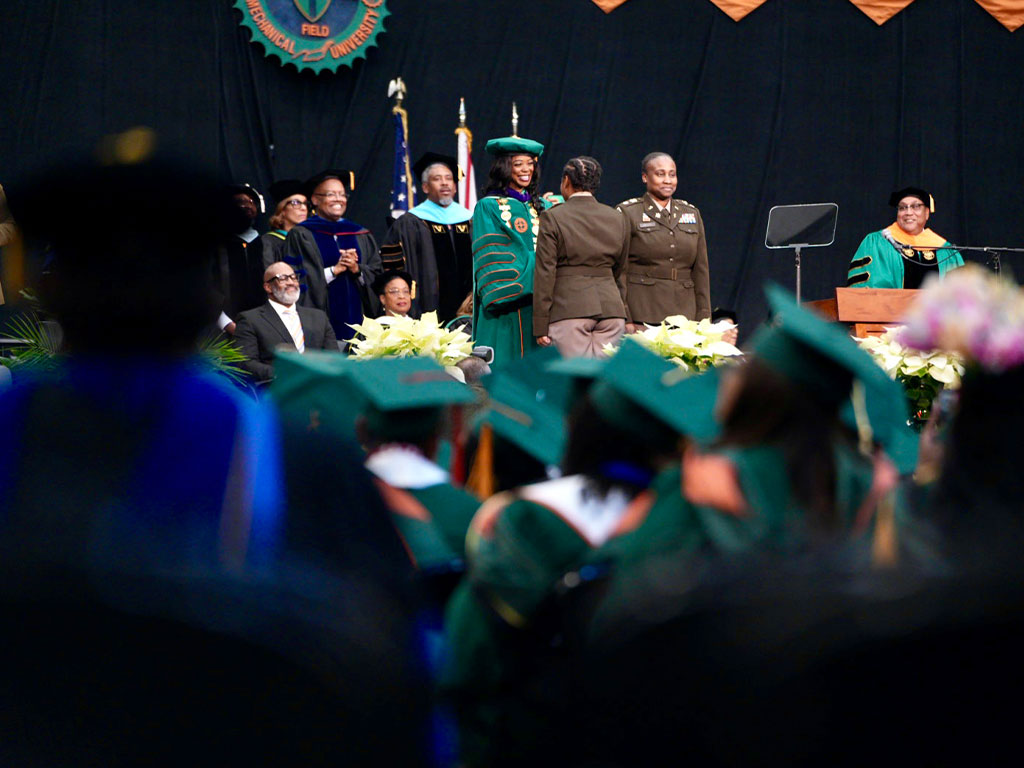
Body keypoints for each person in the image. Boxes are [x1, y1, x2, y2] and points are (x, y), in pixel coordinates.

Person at [533, 156, 629, 358]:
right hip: (612, 311)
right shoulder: (617, 217)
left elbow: (545, 273)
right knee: (603, 383)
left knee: (573, 382)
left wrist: (540, 325)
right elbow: (620, 269)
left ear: (566, 181)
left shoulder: (553, 217)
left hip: (569, 310)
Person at [471, 136, 551, 363]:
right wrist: (544, 267)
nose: (526, 170)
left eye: (530, 163)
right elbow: (494, 256)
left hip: (541, 305)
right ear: (505, 168)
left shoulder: (542, 207)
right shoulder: (488, 206)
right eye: (518, 164)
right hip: (507, 306)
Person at [282, 169, 380, 341]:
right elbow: (294, 279)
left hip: (362, 331)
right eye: (331, 194)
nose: (338, 199)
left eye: (342, 195)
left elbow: (378, 274)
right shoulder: (301, 234)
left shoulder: (359, 233)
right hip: (320, 329)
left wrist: (357, 270)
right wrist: (334, 270)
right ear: (315, 200)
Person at [617, 152, 711, 329]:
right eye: (660, 174)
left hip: (685, 315)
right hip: (643, 313)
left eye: (672, 174)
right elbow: (620, 270)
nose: (668, 180)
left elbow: (701, 271)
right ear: (645, 177)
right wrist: (625, 316)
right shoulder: (629, 212)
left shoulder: (690, 213)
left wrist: (704, 317)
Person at [382, 153, 473, 322]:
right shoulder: (409, 223)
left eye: (449, 178)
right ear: (425, 187)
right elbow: (393, 268)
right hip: (427, 307)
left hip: (469, 308)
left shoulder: (470, 219)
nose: (445, 182)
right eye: (437, 179)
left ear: (455, 186)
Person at [233, 262, 338, 383]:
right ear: (268, 287)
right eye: (283, 278)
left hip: (319, 387)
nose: (291, 282)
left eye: (294, 277)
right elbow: (244, 363)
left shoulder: (319, 317)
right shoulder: (250, 319)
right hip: (278, 389)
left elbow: (333, 357)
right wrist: (283, 373)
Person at [847, 186, 964, 289]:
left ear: (927, 213)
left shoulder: (945, 250)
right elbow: (870, 289)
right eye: (902, 208)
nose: (908, 212)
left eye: (916, 206)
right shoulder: (878, 243)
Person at [214, 182, 266, 335]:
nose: (245, 206)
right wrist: (226, 324)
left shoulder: (268, 244)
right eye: (238, 203)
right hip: (222, 329)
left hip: (266, 329)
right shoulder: (215, 247)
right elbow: (206, 288)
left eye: (250, 202)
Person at [259, 179, 308, 264]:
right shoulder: (269, 242)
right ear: (282, 210)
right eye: (296, 203)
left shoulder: (309, 239)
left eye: (305, 203)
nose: (304, 208)